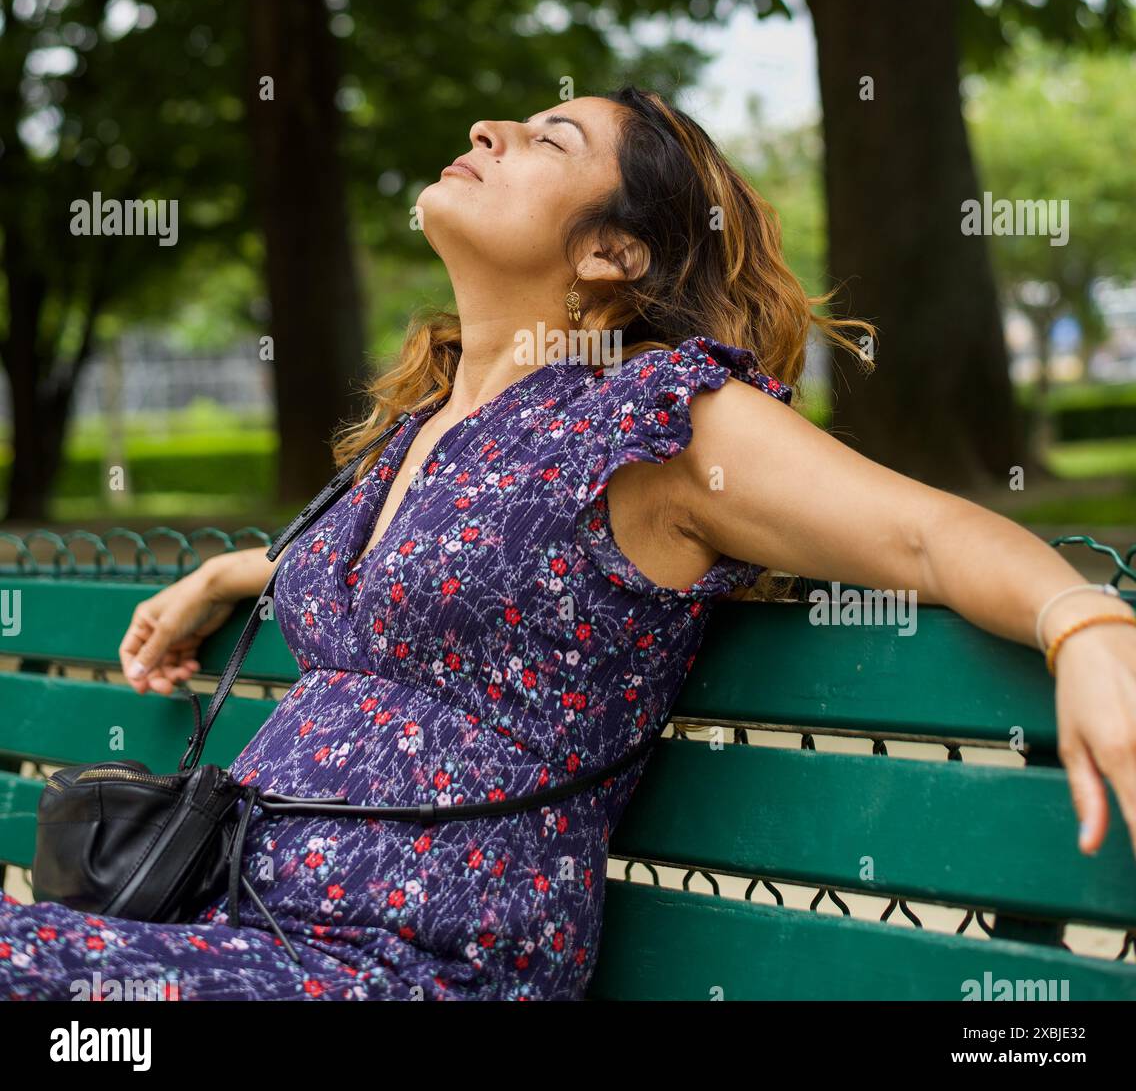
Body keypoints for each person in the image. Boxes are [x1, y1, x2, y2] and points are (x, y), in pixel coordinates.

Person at [2, 86, 1134, 1001]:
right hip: (227, 928)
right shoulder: (422, 430)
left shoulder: (654, 422)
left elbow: (925, 534)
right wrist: (220, 574)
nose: (485, 128)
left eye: (548, 137)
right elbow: (376, 573)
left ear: (612, 254)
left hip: (402, 967)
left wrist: (1079, 622)